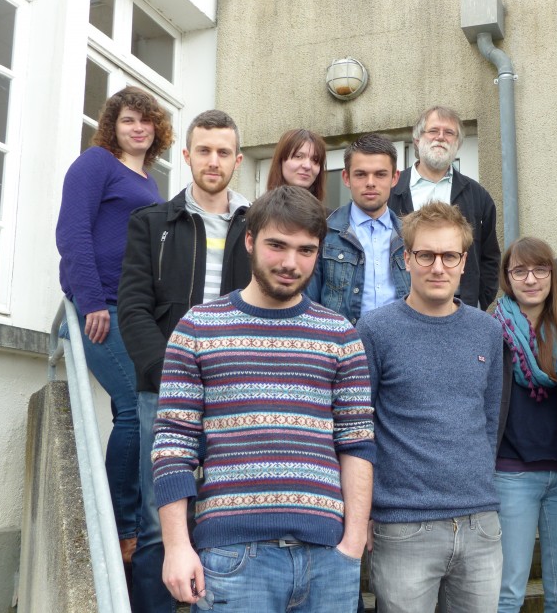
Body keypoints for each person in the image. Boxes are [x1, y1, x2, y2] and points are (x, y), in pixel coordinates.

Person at [152, 185, 375, 612]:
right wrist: (177, 546)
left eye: (306, 250)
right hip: (234, 556)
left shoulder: (341, 336)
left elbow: (357, 442)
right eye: (277, 245)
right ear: (250, 241)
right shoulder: (198, 328)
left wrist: (354, 541)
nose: (291, 263)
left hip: (328, 556)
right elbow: (172, 446)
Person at [118, 109, 249, 613]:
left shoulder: (255, 224)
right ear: (186, 155)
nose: (213, 161)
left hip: (232, 390)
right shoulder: (151, 223)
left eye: (223, 152)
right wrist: (166, 375)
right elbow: (132, 308)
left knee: (221, 511)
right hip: (164, 391)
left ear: (237, 160)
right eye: (204, 150)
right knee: (158, 520)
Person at [357, 202, 503, 613]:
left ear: (463, 262)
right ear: (407, 259)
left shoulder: (488, 332)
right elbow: (357, 427)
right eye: (426, 255)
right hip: (403, 526)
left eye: (449, 256)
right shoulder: (375, 330)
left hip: (479, 523)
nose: (438, 267)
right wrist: (363, 511)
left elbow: (490, 420)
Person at [55, 86, 173, 564]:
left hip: (134, 307)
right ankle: (121, 527)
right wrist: (91, 301)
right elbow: (73, 231)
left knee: (151, 406)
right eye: (128, 120)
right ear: (112, 125)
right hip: (101, 306)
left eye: (146, 121)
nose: (138, 128)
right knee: (134, 404)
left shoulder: (149, 181)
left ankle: (139, 523)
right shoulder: (95, 164)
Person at [493, 237, 557, 613]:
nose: (530, 279)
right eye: (520, 271)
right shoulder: (490, 328)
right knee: (507, 592)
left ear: (552, 274)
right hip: (513, 472)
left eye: (540, 269)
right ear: (507, 277)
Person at [388, 106, 500, 310]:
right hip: (400, 307)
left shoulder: (477, 196)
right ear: (417, 139)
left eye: (449, 133)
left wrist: (475, 302)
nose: (440, 137)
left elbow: (490, 258)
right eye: (433, 131)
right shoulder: (391, 190)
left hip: (459, 309)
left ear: (457, 144)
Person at [305, 133, 410, 325]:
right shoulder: (323, 233)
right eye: (361, 174)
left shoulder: (411, 236)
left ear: (395, 178)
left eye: (380, 174)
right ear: (346, 177)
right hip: (341, 346)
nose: (370, 182)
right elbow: (309, 303)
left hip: (400, 346)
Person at [267, 128, 327, 203]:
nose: (307, 166)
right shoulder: (256, 212)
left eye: (315, 159)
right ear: (280, 161)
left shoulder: (328, 214)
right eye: (298, 156)